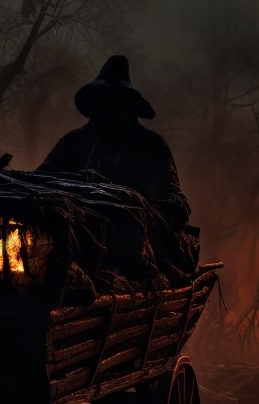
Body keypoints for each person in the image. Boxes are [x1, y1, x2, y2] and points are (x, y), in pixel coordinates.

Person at [37, 55, 197, 285]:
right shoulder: (74, 143)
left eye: (115, 103)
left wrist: (133, 221)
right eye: (103, 103)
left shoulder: (150, 146)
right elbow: (41, 182)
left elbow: (171, 202)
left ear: (128, 107)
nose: (108, 111)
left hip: (131, 254)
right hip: (74, 244)